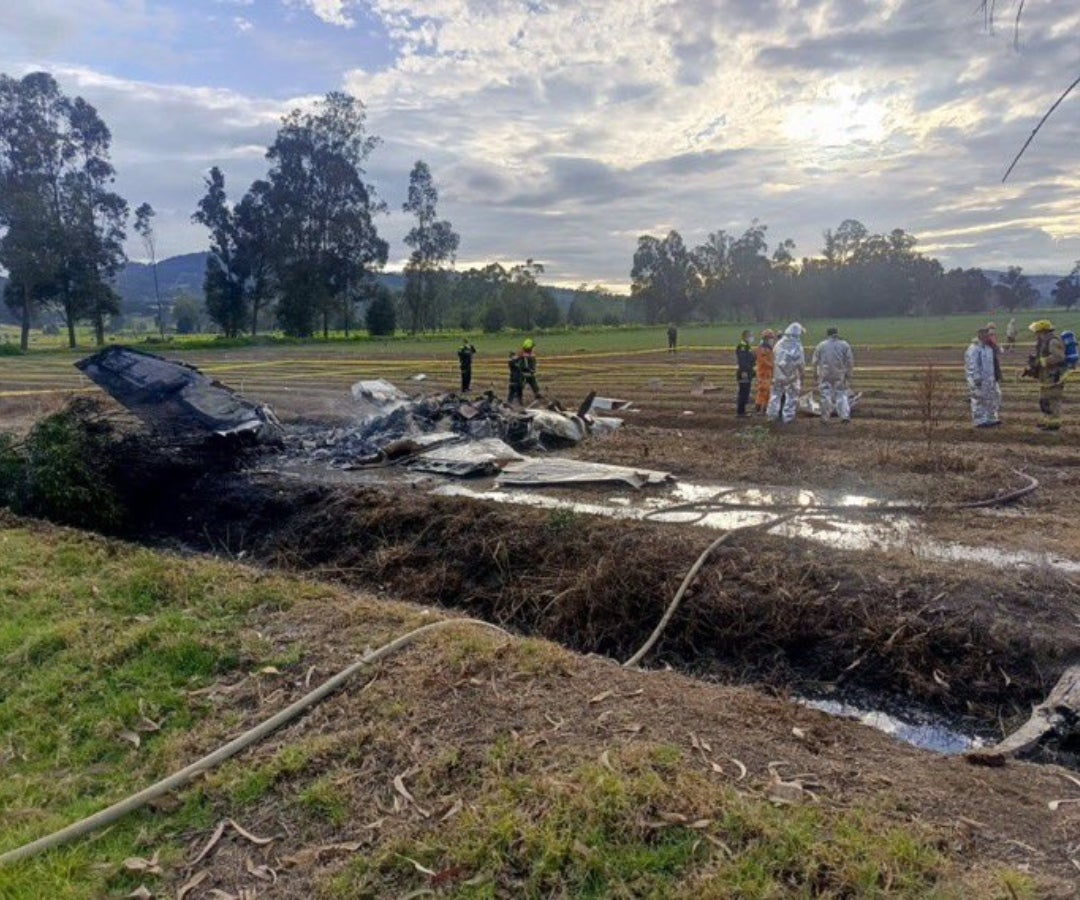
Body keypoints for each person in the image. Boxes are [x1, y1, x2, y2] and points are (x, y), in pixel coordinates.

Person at [1024, 319, 1066, 430]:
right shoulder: (1044, 341)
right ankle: (1047, 419)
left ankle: (1054, 422)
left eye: (1037, 332)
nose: (1035, 334)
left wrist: (1044, 361)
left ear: (1043, 331)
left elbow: (1059, 357)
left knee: (1053, 398)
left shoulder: (1053, 341)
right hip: (1046, 375)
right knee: (1044, 398)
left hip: (1054, 375)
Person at [811, 326, 854, 423]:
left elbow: (814, 361)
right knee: (841, 394)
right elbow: (850, 361)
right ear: (837, 334)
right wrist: (849, 375)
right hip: (839, 373)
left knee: (825, 395)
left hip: (825, 374)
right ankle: (844, 416)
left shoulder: (821, 345)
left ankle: (825, 417)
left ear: (827, 334)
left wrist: (815, 373)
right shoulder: (844, 345)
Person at [766, 322, 806, 424]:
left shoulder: (778, 343)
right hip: (791, 376)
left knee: (775, 395)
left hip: (778, 375)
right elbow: (800, 362)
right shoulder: (797, 345)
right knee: (791, 396)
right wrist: (802, 375)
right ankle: (788, 417)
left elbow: (773, 357)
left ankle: (772, 415)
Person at [964, 326, 1001, 428]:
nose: (987, 337)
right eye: (985, 335)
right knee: (978, 399)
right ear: (980, 335)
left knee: (991, 398)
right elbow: (972, 365)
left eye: (988, 335)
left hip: (989, 379)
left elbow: (996, 357)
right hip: (978, 380)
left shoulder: (988, 348)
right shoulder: (974, 348)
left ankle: (991, 418)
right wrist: (976, 378)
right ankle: (979, 420)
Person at [754, 329, 775, 413]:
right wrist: (773, 366)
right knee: (765, 391)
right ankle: (763, 408)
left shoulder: (768, 348)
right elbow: (764, 361)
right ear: (766, 338)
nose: (772, 340)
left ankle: (758, 407)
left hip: (766, 372)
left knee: (762, 391)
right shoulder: (763, 349)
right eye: (771, 338)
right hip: (764, 372)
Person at [735, 329, 755, 417]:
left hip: (748, 371)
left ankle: (743, 411)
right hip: (744, 373)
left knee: (746, 392)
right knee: (743, 392)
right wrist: (744, 372)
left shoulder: (747, 346)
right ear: (745, 337)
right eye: (750, 336)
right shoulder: (742, 346)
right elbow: (742, 361)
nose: (751, 337)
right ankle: (740, 412)